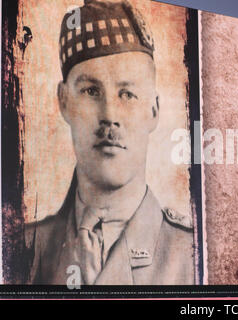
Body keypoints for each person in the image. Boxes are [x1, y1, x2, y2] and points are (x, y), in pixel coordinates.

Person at [26, 0, 194, 285]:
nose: (110, 116)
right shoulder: (24, 248)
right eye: (91, 91)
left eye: (127, 94)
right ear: (63, 101)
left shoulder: (190, 252)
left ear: (154, 110)